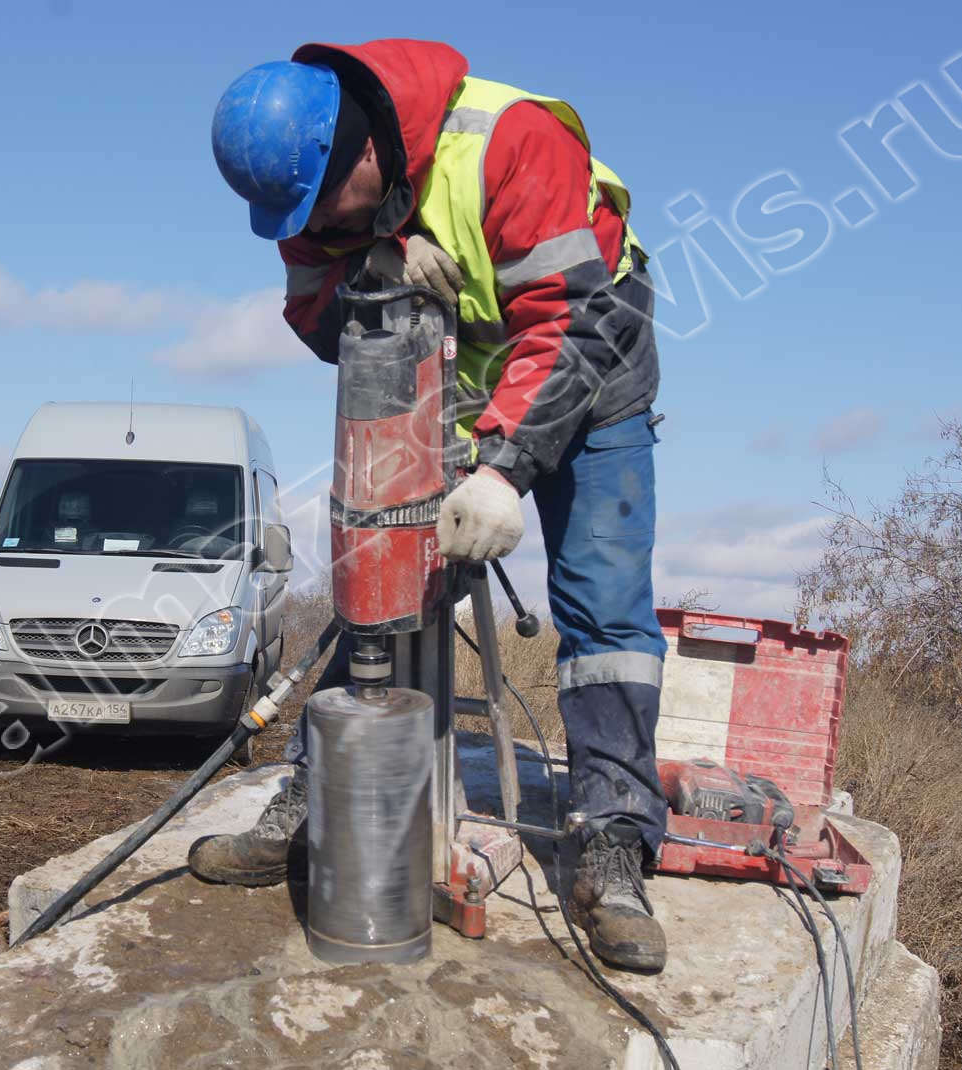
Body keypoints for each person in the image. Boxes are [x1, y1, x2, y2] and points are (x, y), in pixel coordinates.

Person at [190, 39, 669, 973]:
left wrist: (504, 471)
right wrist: (372, 265)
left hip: (592, 369)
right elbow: (313, 313)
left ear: (362, 155)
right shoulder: (309, 195)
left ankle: (611, 844)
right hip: (446, 387)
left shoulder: (510, 141)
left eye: (332, 210)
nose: (313, 228)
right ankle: (318, 796)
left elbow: (570, 322)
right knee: (384, 580)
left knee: (603, 606)